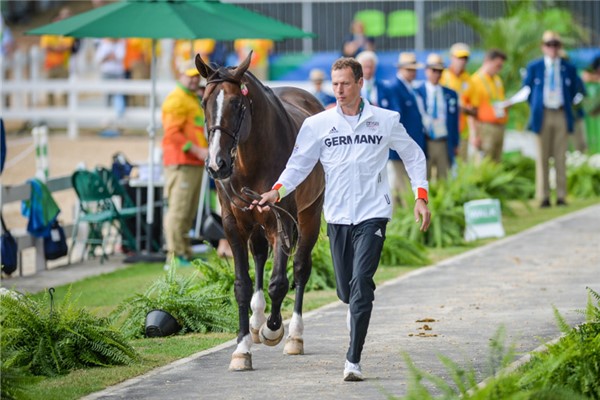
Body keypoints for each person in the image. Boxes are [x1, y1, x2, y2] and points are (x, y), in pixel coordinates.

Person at [251, 57, 431, 382]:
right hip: (336, 217)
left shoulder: (385, 120)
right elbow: (299, 163)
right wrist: (276, 192)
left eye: (345, 83)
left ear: (360, 83)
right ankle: (353, 309)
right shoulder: (318, 124)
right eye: (335, 84)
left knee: (362, 285)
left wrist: (421, 196)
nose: (339, 90)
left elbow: (414, 154)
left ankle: (353, 359)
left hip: (373, 214)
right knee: (346, 293)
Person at [509, 31, 579, 208]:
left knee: (561, 156)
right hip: (543, 114)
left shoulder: (567, 67)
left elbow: (575, 91)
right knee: (542, 157)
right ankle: (544, 196)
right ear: (543, 47)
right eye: (549, 44)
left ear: (559, 47)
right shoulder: (535, 67)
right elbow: (526, 90)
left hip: (561, 112)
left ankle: (562, 195)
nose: (552, 48)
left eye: (556, 44)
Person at [161, 60, 209, 266]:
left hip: (194, 162)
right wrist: (197, 150)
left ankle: (185, 251)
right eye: (189, 75)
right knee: (179, 209)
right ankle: (174, 254)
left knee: (188, 210)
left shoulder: (191, 98)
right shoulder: (176, 100)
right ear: (179, 75)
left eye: (196, 76)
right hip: (182, 162)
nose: (194, 79)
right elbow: (172, 133)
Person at [387, 52, 426, 206]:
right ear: (401, 69)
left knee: (398, 183)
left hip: (413, 142)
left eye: (414, 69)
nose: (413, 72)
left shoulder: (411, 88)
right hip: (401, 145)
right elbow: (397, 118)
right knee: (403, 185)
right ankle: (406, 219)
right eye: (409, 69)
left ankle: (397, 218)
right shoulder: (395, 88)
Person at [415, 53, 460, 180]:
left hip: (443, 141)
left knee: (443, 177)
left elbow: (455, 120)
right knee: (424, 178)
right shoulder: (417, 91)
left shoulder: (450, 94)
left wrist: (456, 143)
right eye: (434, 70)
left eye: (440, 71)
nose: (437, 74)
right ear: (427, 70)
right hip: (425, 140)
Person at [462, 49, 508, 163]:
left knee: (496, 163)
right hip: (484, 127)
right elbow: (469, 110)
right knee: (484, 163)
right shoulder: (475, 81)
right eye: (497, 65)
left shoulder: (497, 80)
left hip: (498, 126)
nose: (499, 69)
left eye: (501, 66)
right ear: (488, 61)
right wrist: (474, 134)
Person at [440, 43, 473, 162]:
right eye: (459, 57)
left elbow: (472, 104)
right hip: (445, 128)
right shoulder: (443, 76)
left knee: (462, 164)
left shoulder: (468, 79)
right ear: (451, 58)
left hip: (463, 131)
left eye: (465, 58)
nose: (462, 61)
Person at [39, 7, 74, 106]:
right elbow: (46, 47)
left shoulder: (66, 33)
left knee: (65, 90)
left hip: (64, 64)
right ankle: (51, 109)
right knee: (49, 90)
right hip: (50, 65)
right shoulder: (47, 34)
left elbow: (67, 47)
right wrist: (59, 47)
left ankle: (66, 109)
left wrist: (54, 47)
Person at [124, 38, 153, 107]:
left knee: (141, 90)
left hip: (140, 62)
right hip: (134, 63)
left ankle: (140, 107)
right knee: (136, 90)